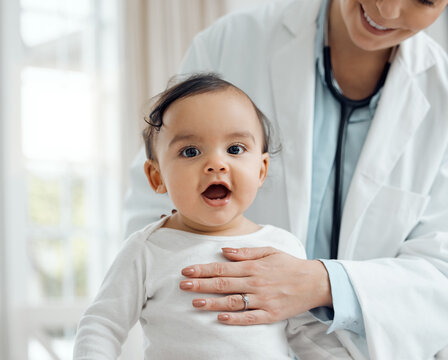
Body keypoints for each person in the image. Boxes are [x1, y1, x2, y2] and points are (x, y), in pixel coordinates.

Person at [124, 0, 448, 359]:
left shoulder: (442, 95)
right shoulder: (232, 43)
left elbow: (440, 276)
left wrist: (324, 284)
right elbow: (155, 210)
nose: (387, 9)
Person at [73, 74, 352, 359]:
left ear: (261, 170)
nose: (216, 164)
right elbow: (103, 324)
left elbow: (305, 332)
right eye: (190, 151)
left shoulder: (280, 248)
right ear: (157, 177)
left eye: (235, 149)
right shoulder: (147, 249)